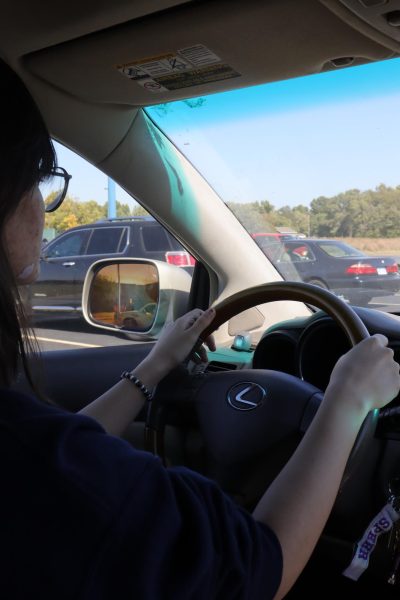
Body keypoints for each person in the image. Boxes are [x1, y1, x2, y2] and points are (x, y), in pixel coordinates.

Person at [1, 58, 400, 600]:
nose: (42, 209)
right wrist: (347, 400)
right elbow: (262, 568)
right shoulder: (39, 464)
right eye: (40, 182)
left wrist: (155, 366)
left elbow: (64, 454)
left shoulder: (35, 457)